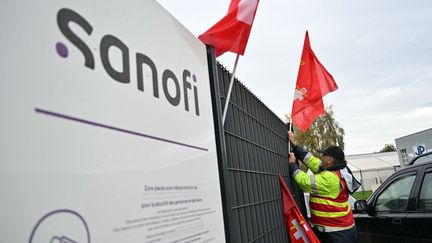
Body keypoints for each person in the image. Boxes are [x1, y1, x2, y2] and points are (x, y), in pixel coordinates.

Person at [287, 131, 360, 243]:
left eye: (324, 155)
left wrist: (292, 164)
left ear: (330, 160)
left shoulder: (330, 179)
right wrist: (295, 145)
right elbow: (311, 160)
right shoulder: (334, 169)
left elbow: (304, 181)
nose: (321, 157)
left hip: (337, 235)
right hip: (339, 230)